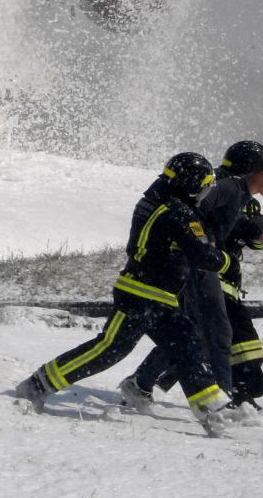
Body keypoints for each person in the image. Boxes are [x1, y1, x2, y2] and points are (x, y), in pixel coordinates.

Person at [16, 152, 233, 435]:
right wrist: (227, 261)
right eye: (204, 186)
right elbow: (202, 254)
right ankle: (38, 384)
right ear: (191, 185)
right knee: (109, 349)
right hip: (140, 294)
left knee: (187, 345)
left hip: (160, 297)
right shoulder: (176, 212)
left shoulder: (160, 201)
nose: (205, 193)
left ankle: (210, 409)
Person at [125, 143, 263, 413]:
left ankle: (144, 383)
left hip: (211, 271)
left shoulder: (240, 193)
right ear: (262, 173)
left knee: (197, 334)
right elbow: (195, 213)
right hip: (203, 270)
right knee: (213, 335)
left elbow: (235, 223)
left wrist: (257, 232)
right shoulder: (225, 187)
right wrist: (203, 242)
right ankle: (225, 400)